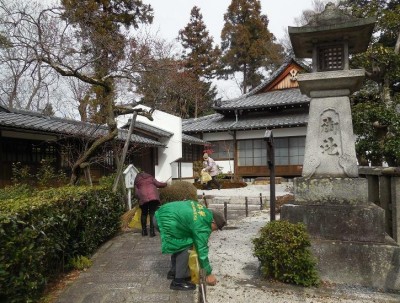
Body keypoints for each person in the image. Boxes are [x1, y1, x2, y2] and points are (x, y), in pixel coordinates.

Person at [154, 200, 226, 291]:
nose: (213, 231)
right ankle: (178, 281)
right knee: (185, 246)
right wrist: (208, 274)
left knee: (181, 241)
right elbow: (202, 250)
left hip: (161, 213)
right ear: (213, 222)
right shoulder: (203, 224)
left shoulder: (203, 212)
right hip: (166, 221)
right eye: (216, 229)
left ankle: (174, 271)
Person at [134, 171, 167, 237]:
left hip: (143, 198)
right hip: (153, 197)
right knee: (152, 214)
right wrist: (165, 184)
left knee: (144, 213)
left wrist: (140, 198)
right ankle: (152, 232)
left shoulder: (137, 180)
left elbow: (136, 193)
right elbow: (159, 184)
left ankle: (144, 231)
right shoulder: (150, 177)